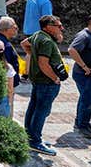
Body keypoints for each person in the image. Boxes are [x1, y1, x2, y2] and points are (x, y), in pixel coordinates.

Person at [21, 14, 66, 156]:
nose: (61, 28)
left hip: (38, 80)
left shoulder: (37, 35)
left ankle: (29, 136)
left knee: (34, 107)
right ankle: (35, 141)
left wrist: (32, 54)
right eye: (58, 26)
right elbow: (43, 63)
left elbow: (24, 44)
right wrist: (54, 78)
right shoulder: (46, 41)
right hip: (46, 82)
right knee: (41, 111)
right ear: (48, 27)